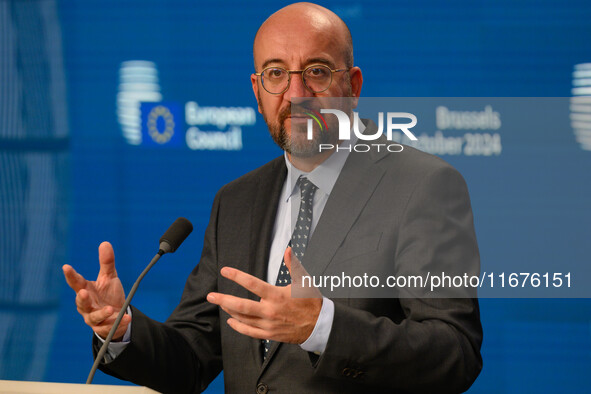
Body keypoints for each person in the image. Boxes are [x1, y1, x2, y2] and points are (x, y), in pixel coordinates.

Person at [63, 3, 483, 393]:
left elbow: (454, 352)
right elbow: (191, 357)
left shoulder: (420, 186)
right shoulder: (236, 201)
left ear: (352, 86)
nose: (295, 92)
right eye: (276, 73)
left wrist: (323, 327)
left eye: (316, 71)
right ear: (257, 90)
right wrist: (120, 329)